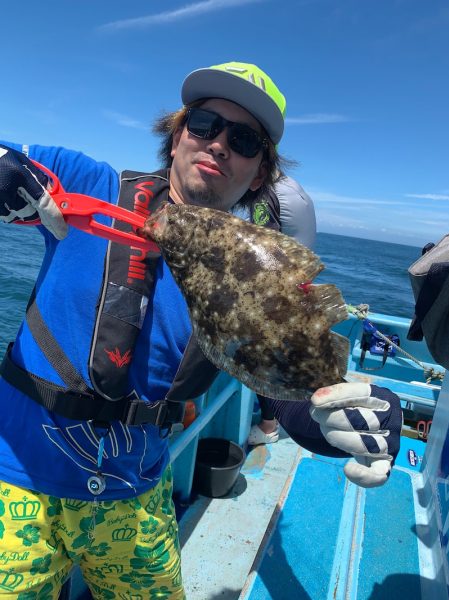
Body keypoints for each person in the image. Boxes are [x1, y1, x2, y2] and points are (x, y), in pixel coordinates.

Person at [0, 61, 402, 599]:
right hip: (13, 473)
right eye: (205, 124)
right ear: (177, 135)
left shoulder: (261, 273)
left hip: (135, 497)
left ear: (260, 172)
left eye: (242, 139)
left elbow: (288, 392)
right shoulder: (91, 186)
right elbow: (16, 164)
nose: (217, 145)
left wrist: (349, 422)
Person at [247, 175, 317, 445]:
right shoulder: (296, 190)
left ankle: (268, 425)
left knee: (258, 360)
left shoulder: (264, 195)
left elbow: (263, 245)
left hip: (275, 295)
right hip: (298, 289)